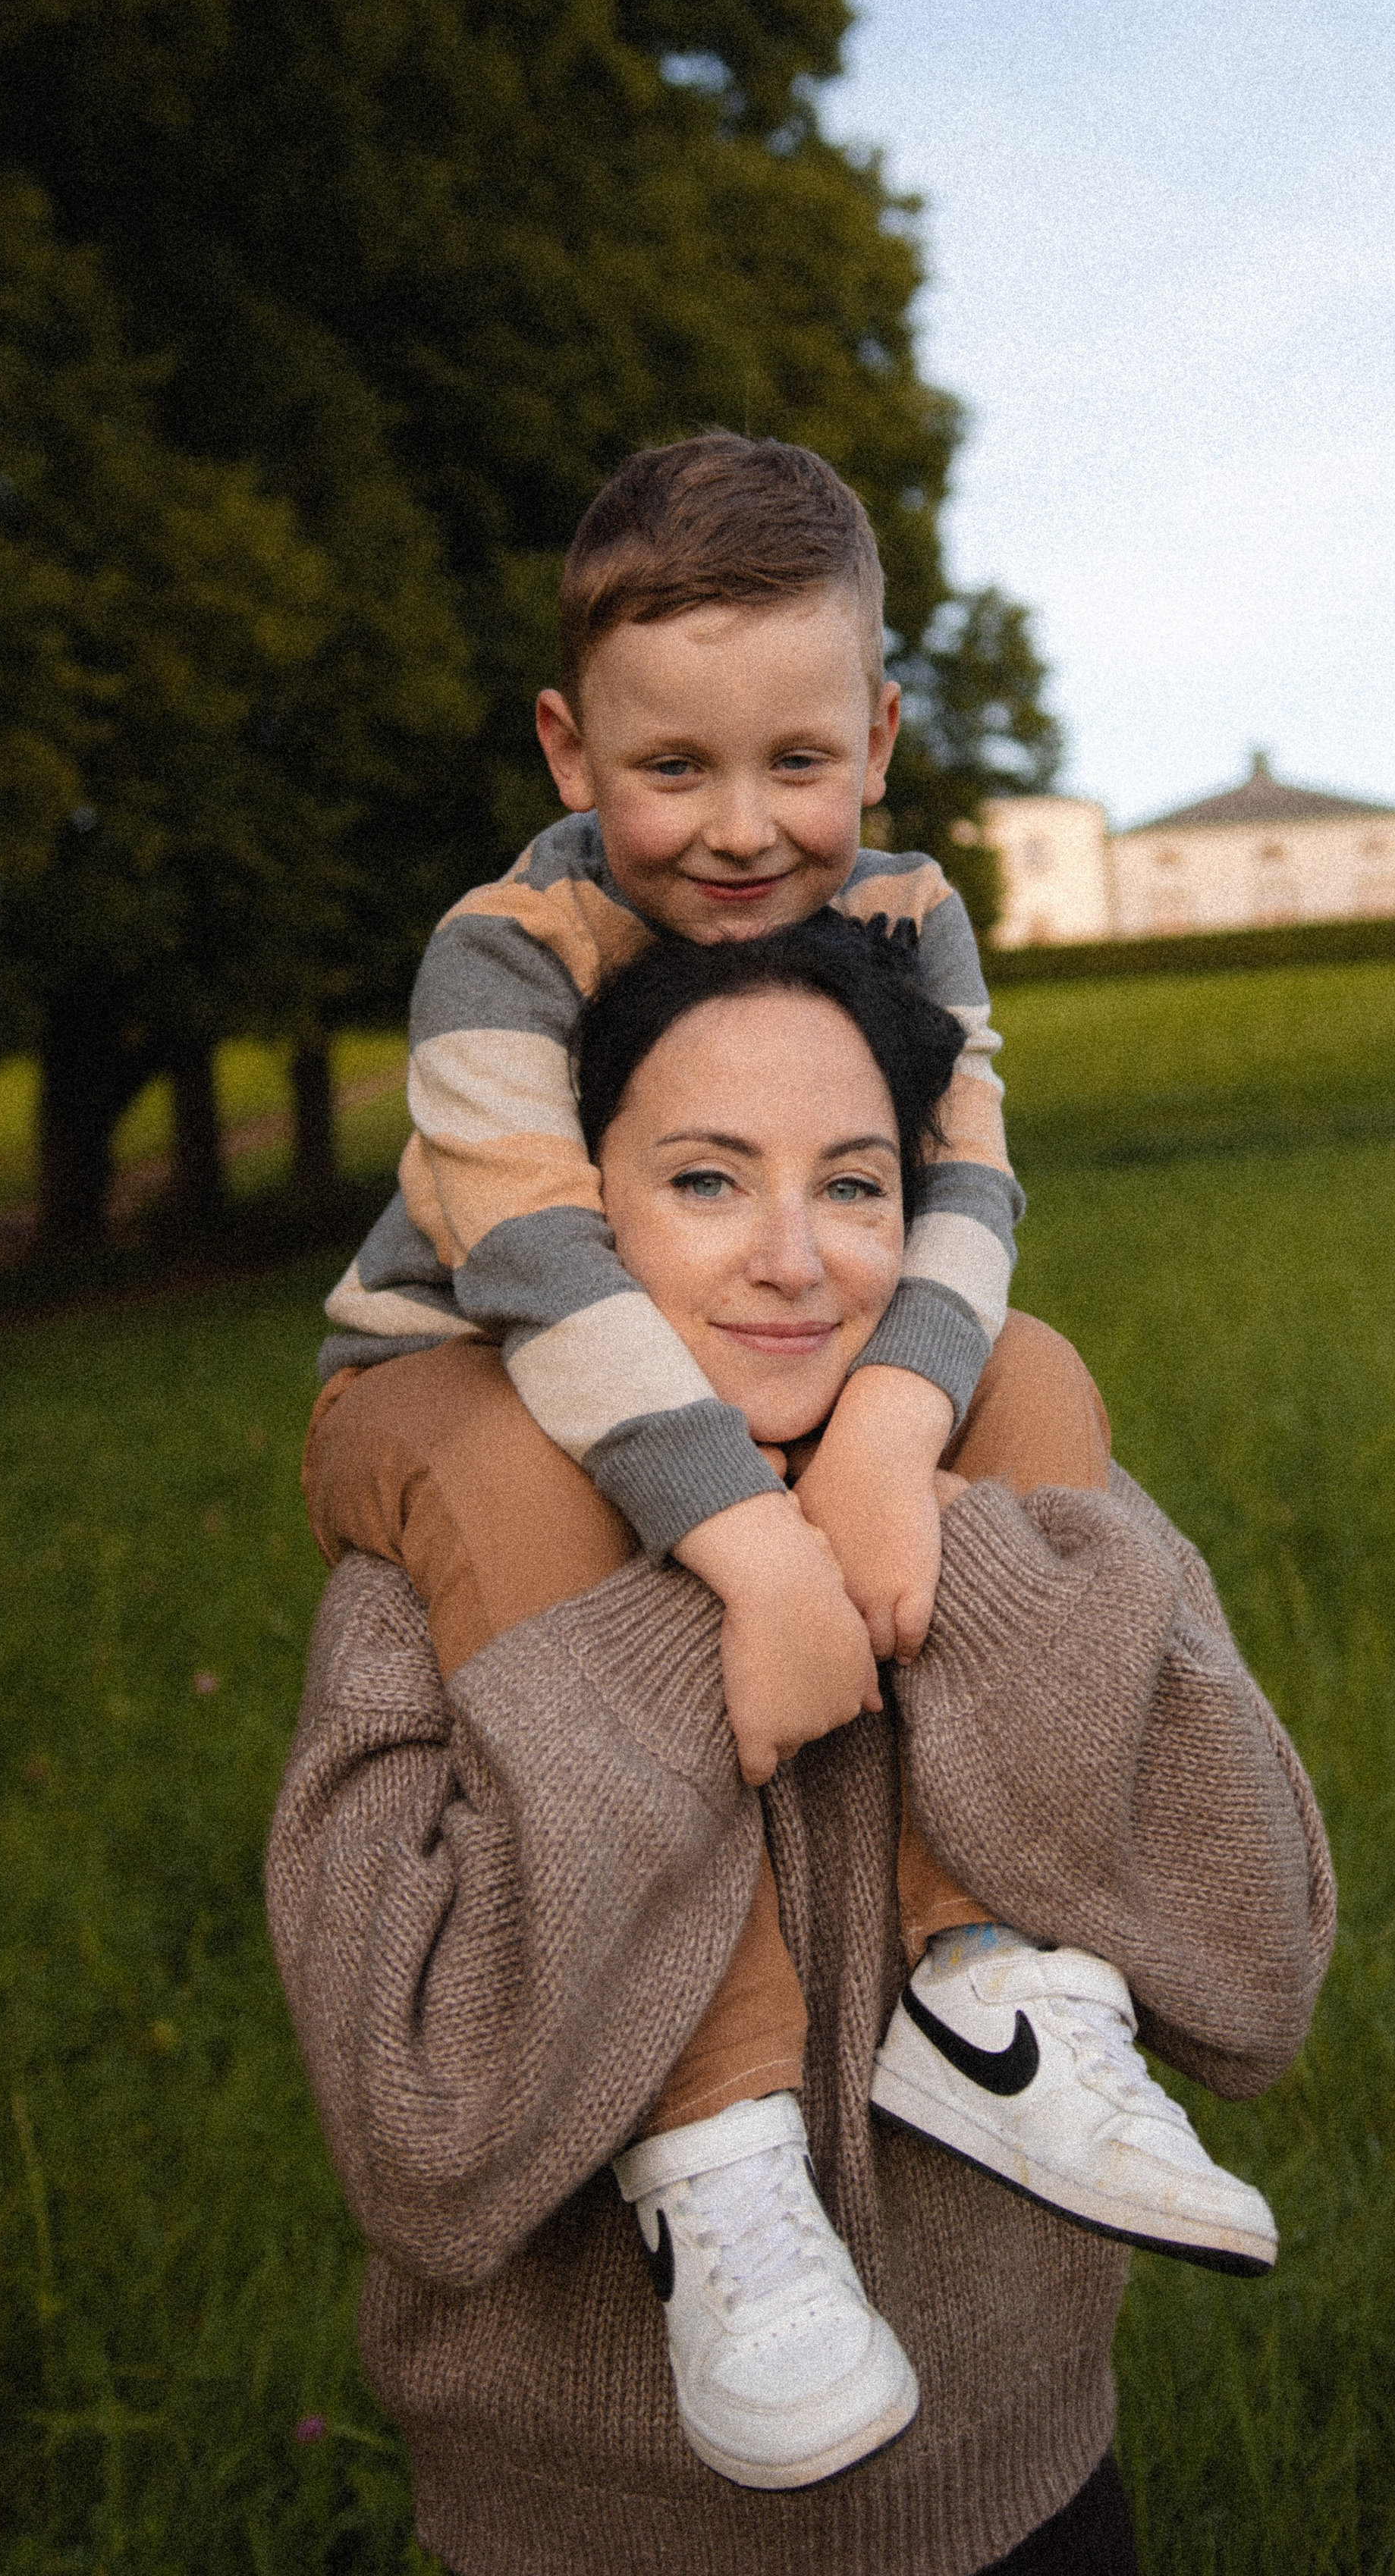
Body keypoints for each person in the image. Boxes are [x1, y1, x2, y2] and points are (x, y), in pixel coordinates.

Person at [303, 438, 1279, 2376]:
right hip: (451, 1370)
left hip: (778, 1368)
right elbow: (537, 1265)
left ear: (882, 734)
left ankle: (990, 1978)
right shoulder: (505, 952)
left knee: (1032, 1368)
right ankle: (715, 2129)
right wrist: (759, 1554)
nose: (741, 831)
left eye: (797, 765)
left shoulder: (912, 918)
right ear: (572, 755)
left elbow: (969, 1194)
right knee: (510, 1459)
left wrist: (894, 1437)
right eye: (673, 771)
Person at [272, 916, 1336, 2573]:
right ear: (573, 1217)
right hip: (589, 2541)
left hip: (1027, 2491)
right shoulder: (433, 1591)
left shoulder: (1034, 1503)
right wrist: (666, 1620)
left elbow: (1250, 1967)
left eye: (852, 1187)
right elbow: (432, 2146)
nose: (794, 1260)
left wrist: (956, 1549)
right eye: (703, 1181)